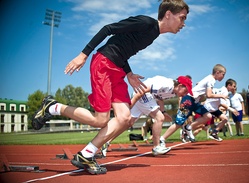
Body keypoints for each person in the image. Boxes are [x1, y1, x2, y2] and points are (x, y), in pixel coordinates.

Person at [31, 0, 190, 175]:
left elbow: (123, 50)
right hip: (103, 64)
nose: (183, 23)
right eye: (182, 18)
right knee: (101, 120)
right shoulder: (146, 23)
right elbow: (108, 29)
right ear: (168, 14)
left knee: (125, 118)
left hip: (118, 69)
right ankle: (53, 107)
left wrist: (129, 73)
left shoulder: (153, 34)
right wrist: (83, 54)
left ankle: (87, 154)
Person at [102, 75, 194, 156]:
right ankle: (156, 147)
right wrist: (129, 106)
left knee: (127, 122)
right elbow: (142, 91)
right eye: (185, 91)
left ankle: (106, 141)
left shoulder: (172, 92)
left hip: (144, 97)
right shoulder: (167, 85)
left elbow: (159, 99)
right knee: (159, 118)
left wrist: (164, 111)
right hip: (141, 94)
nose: (185, 94)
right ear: (180, 86)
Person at [190, 64, 229, 141]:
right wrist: (221, 96)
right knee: (179, 122)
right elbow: (209, 95)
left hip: (195, 100)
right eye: (223, 74)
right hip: (192, 100)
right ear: (217, 72)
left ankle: (214, 132)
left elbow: (200, 85)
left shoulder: (209, 78)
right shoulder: (211, 80)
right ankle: (186, 130)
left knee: (208, 117)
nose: (223, 77)